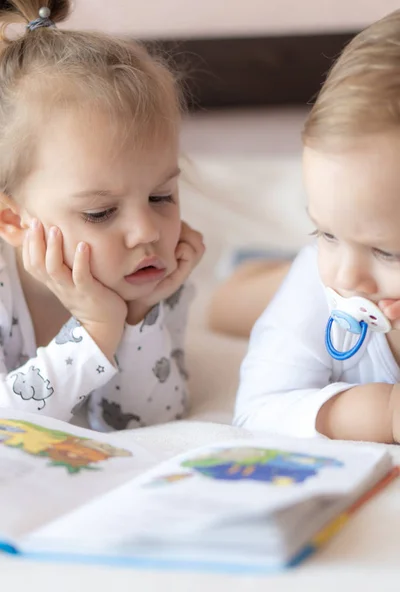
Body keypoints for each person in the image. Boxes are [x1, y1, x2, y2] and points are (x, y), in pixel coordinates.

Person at [0, 0, 204, 432]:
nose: (147, 231)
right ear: (14, 221)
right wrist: (94, 329)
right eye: (100, 212)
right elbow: (8, 431)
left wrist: (137, 316)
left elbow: (147, 423)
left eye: (161, 196)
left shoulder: (155, 280)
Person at [224, 9, 400, 443]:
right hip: (293, 285)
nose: (345, 274)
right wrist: (385, 412)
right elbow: (258, 410)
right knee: (233, 303)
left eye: (389, 251)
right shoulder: (322, 286)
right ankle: (258, 267)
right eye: (325, 231)